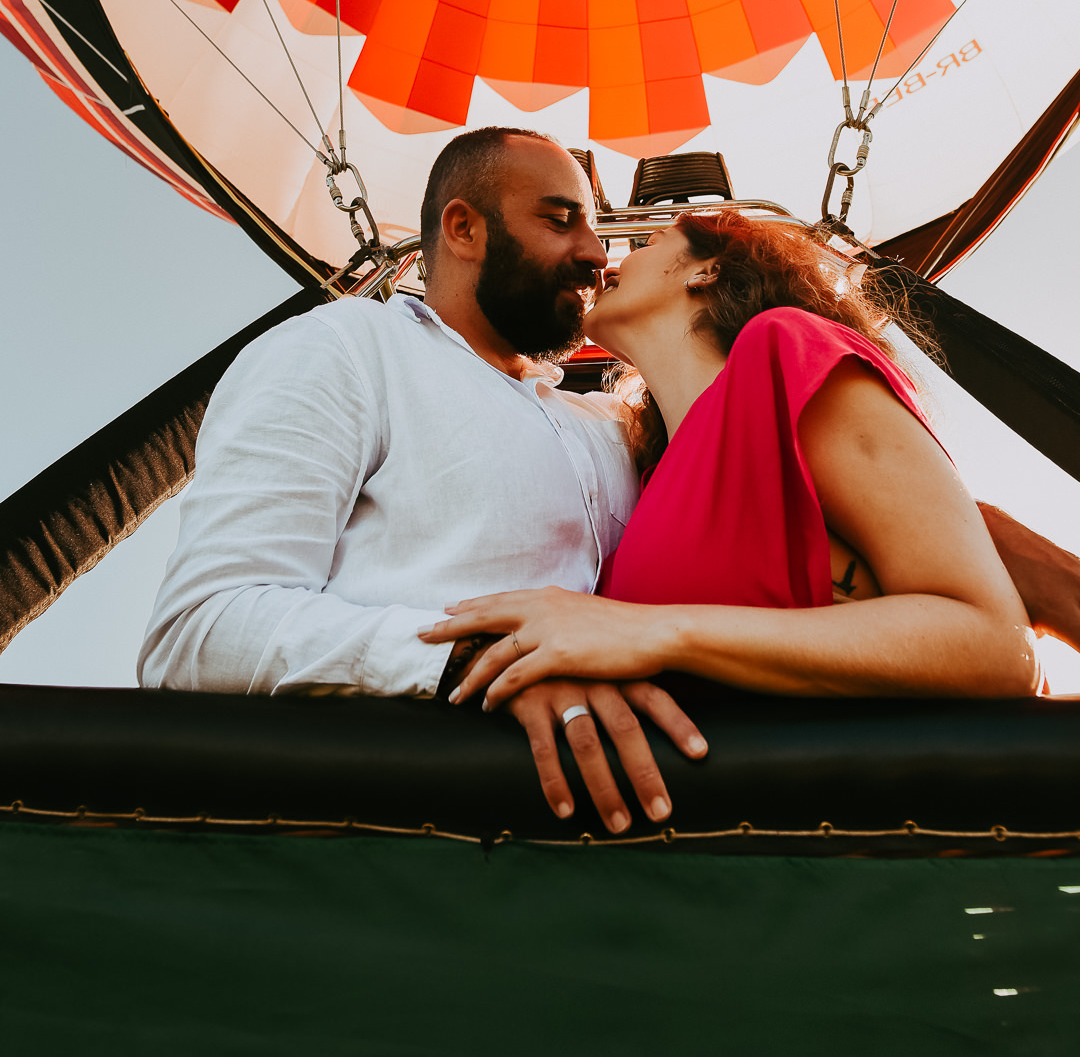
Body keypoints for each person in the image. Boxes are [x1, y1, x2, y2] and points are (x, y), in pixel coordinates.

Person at [139, 127, 709, 836]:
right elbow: (200, 635)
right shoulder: (347, 347)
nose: (597, 253)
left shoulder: (606, 428)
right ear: (463, 228)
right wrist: (485, 662)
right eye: (561, 221)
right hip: (399, 833)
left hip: (631, 841)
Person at [418, 210, 1044, 708]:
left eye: (648, 242)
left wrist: (651, 632)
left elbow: (992, 645)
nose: (609, 259)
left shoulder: (784, 357)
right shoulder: (647, 475)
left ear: (705, 270)